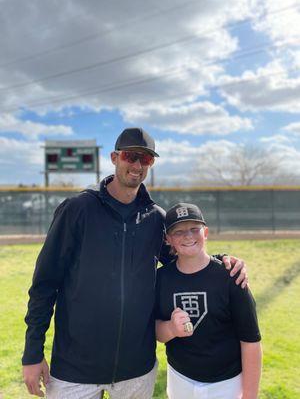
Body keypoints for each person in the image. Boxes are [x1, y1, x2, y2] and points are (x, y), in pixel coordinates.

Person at [22, 127, 248, 399]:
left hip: (136, 370)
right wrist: (33, 353)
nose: (138, 165)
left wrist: (222, 261)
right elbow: (45, 285)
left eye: (147, 159)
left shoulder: (155, 219)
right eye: (131, 156)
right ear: (114, 157)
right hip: (75, 368)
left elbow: (185, 256)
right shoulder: (77, 209)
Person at [155, 203, 262, 399]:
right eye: (178, 232)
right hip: (180, 379)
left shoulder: (231, 276)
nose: (188, 236)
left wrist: (249, 396)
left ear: (205, 232)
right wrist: (171, 328)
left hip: (227, 383)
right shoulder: (161, 279)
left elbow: (251, 341)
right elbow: (156, 331)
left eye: (194, 229)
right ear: (168, 239)